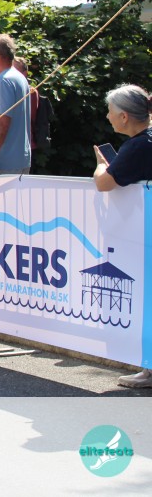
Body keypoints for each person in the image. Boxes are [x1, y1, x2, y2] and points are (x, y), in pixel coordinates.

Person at [91, 84, 152, 388]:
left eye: (111, 112)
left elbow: (104, 183)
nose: (108, 116)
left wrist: (101, 166)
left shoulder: (137, 146)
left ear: (125, 116)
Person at [0, 34, 31, 175]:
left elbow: (1, 125)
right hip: (18, 160)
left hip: (1, 164)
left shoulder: (3, 81)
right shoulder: (18, 77)